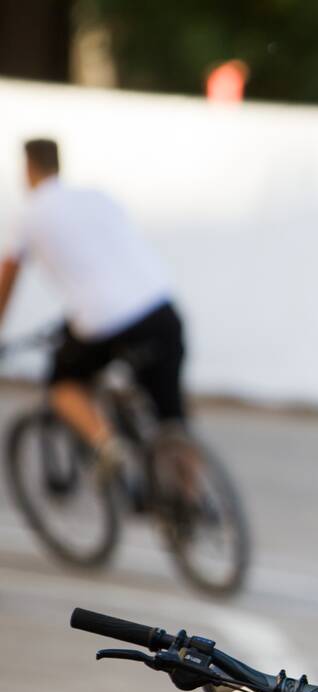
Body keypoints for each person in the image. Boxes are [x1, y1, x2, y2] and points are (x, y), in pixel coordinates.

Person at [0, 138, 186, 474]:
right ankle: (192, 501)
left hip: (104, 319)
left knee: (63, 384)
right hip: (161, 308)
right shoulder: (98, 198)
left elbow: (6, 282)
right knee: (174, 423)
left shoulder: (29, 213)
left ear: (27, 168)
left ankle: (106, 443)